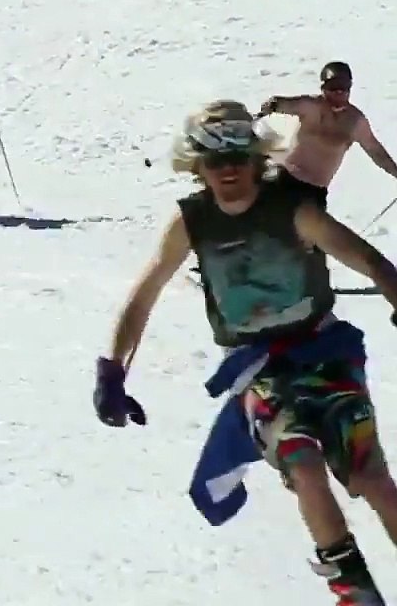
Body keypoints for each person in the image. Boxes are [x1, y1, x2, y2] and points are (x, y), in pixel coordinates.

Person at [94, 99, 397, 606]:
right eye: (215, 161)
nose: (228, 170)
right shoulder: (191, 222)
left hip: (326, 353)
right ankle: (356, 592)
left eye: (238, 157)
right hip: (261, 371)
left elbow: (366, 257)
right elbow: (144, 295)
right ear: (199, 167)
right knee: (302, 464)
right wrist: (112, 372)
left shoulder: (292, 209)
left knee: (371, 478)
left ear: (259, 159)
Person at [260, 61, 397, 208]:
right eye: (333, 87)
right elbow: (283, 104)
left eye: (343, 88)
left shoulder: (355, 121)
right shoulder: (312, 107)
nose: (339, 93)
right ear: (323, 89)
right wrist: (272, 105)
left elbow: (376, 151)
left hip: (315, 192)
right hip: (285, 178)